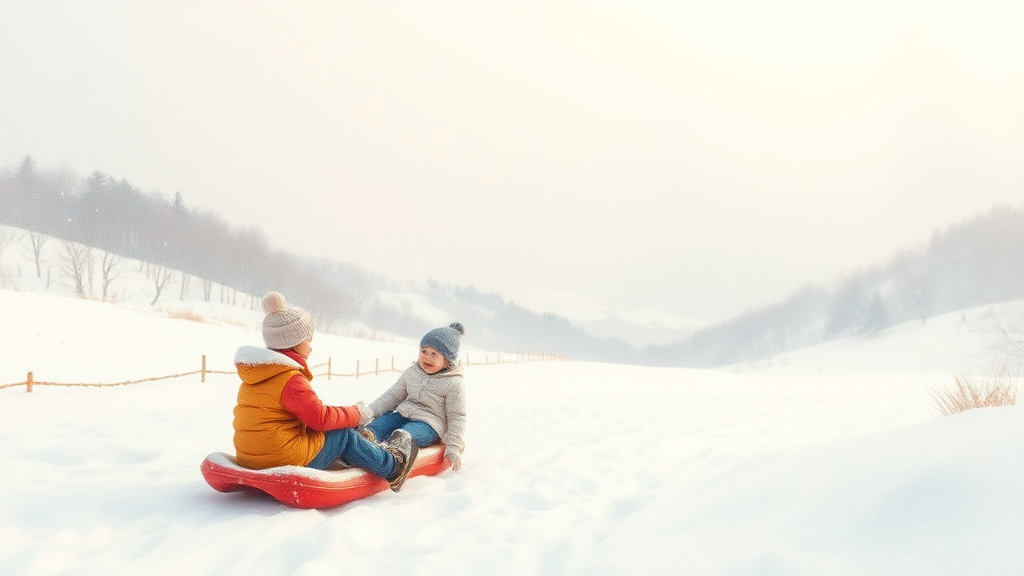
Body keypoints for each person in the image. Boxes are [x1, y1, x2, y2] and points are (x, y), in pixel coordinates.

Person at [233, 291, 418, 491]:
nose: (311, 348)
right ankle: (393, 466)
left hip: (250, 455)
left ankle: (353, 453)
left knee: (327, 429)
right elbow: (320, 418)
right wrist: (356, 414)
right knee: (342, 435)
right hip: (281, 459)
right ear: (293, 342)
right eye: (308, 341)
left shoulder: (258, 375)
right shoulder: (290, 379)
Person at [361, 322, 468, 473]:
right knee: (378, 425)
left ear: (447, 360)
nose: (427, 357)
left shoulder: (454, 383)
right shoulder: (412, 372)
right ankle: (364, 440)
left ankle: (391, 455)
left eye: (434, 354)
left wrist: (454, 446)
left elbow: (457, 416)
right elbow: (392, 396)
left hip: (429, 424)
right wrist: (368, 412)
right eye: (424, 351)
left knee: (403, 436)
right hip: (403, 414)